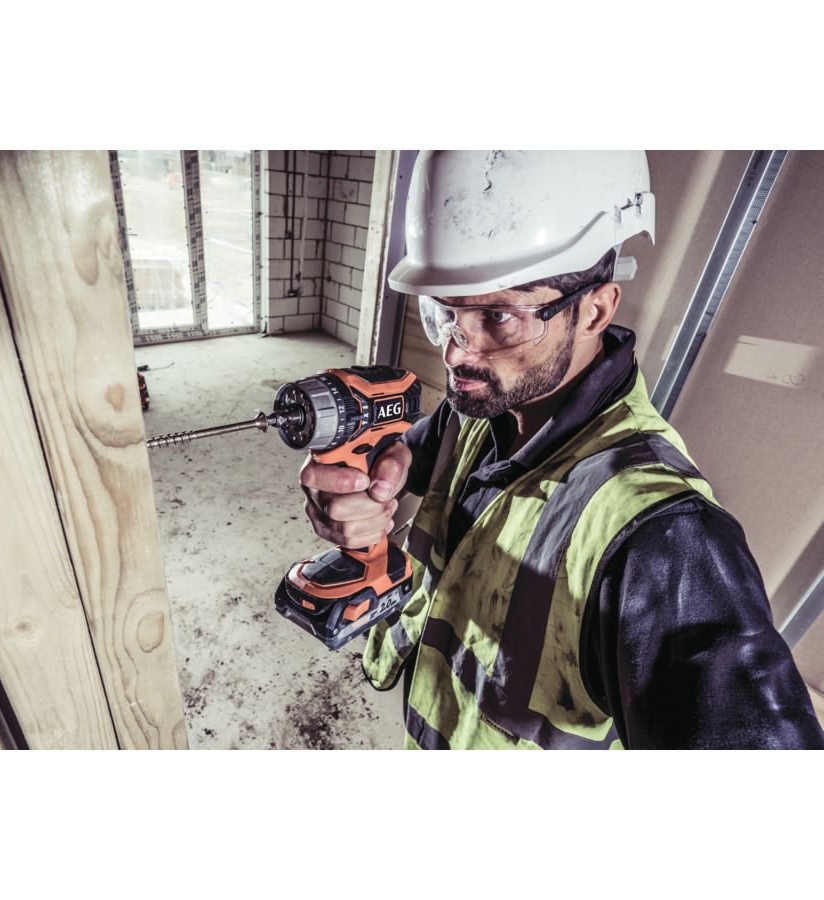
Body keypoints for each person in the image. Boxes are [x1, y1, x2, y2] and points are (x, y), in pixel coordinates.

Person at [300, 150, 824, 750]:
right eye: (444, 311)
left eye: (499, 315)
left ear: (596, 309)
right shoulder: (480, 406)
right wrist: (361, 483)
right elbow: (409, 458)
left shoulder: (663, 537)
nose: (455, 352)